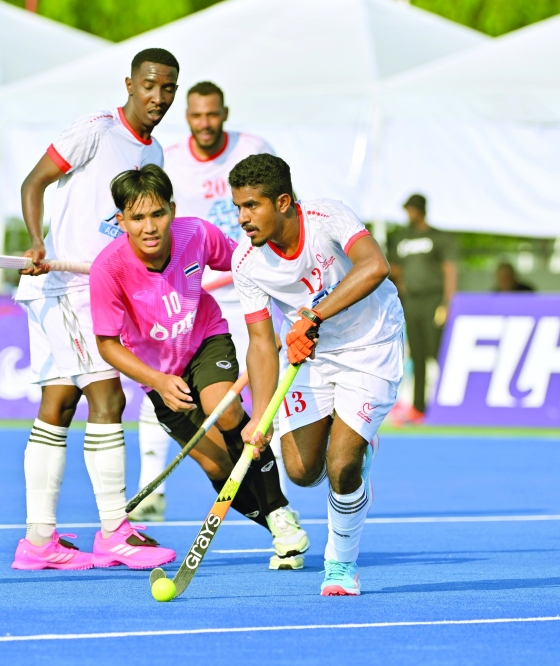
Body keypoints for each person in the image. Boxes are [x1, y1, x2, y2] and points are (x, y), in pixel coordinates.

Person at [11, 48, 180, 571]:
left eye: (168, 88)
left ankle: (38, 542)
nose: (158, 97)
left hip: (101, 292)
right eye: (150, 85)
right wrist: (36, 240)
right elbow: (33, 182)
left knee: (58, 405)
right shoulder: (97, 130)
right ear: (129, 83)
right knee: (107, 396)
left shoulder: (156, 158)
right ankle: (113, 532)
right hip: (64, 286)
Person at [91, 165, 309, 570]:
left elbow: (248, 261)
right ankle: (280, 528)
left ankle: (278, 510)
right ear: (120, 221)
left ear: (172, 210)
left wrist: (288, 311)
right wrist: (155, 379)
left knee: (225, 409)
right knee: (216, 466)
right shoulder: (108, 269)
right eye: (137, 218)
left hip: (205, 340)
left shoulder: (197, 234)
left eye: (158, 214)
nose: (149, 227)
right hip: (158, 374)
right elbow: (106, 344)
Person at [230, 154, 405, 596]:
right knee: (303, 472)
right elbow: (260, 341)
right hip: (312, 355)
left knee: (343, 465)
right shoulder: (246, 261)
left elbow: (375, 266)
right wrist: (260, 416)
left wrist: (312, 314)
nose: (242, 218)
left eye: (252, 206)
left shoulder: (328, 218)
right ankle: (351, 434)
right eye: (238, 207)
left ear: (283, 202)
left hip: (372, 344)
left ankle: (341, 567)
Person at [131, 80, 280, 523]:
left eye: (212, 115)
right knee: (160, 385)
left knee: (251, 396)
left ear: (225, 113)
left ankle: (272, 488)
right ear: (188, 117)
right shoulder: (170, 159)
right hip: (194, 299)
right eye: (196, 116)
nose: (204, 124)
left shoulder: (253, 147)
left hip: (251, 291)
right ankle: (151, 484)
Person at [386, 194, 456, 425]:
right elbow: (393, 267)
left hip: (433, 300)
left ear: (421, 210)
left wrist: (446, 303)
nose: (409, 213)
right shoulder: (402, 238)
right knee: (416, 354)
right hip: (411, 301)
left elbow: (449, 270)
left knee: (436, 352)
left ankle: (450, 403)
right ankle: (418, 407)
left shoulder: (437, 237)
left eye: (412, 209)